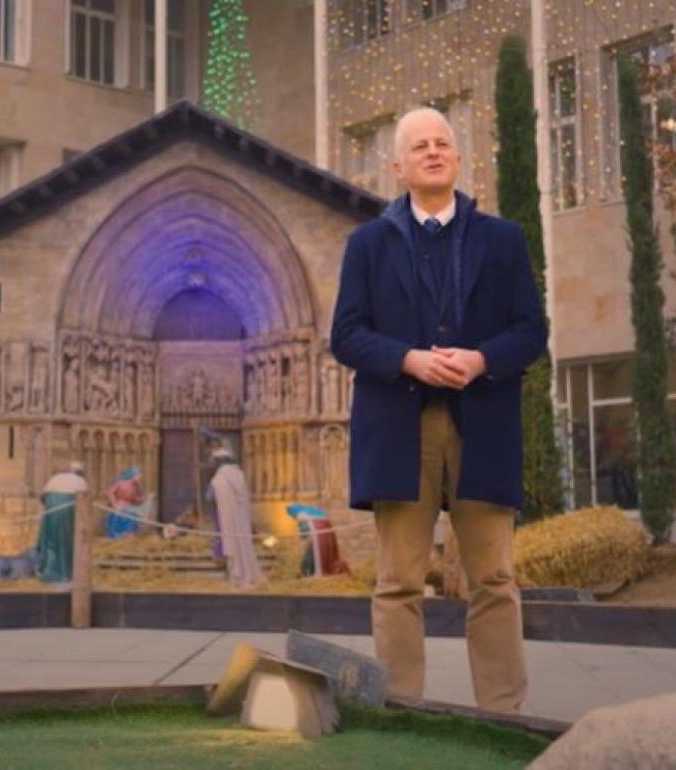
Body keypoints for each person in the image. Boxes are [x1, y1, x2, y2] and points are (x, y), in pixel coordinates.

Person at [329, 106, 546, 713]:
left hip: (484, 425)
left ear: (456, 158)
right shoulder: (366, 245)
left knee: (494, 580)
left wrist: (481, 359)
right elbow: (346, 335)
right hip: (401, 430)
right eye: (420, 145)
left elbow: (531, 330)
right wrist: (407, 359)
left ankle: (502, 716)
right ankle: (401, 713)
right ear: (398, 166)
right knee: (398, 582)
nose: (433, 151)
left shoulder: (503, 240)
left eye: (442, 143)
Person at [206, 447, 262, 587]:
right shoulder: (240, 475)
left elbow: (209, 497)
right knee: (242, 545)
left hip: (226, 519)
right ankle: (245, 573)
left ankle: (235, 574)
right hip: (241, 520)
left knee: (229, 544)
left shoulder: (219, 479)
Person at [285, 502, 350, 577]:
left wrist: (302, 537)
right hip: (327, 533)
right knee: (326, 552)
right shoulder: (311, 509)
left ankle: (310, 572)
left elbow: (304, 530)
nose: (293, 517)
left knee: (315, 554)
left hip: (317, 535)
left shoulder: (300, 514)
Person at [105, 465, 148, 539]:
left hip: (129, 508)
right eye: (138, 475)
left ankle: (129, 534)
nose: (140, 477)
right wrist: (115, 504)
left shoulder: (135, 486)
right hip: (118, 507)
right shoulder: (120, 483)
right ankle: (116, 535)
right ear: (132, 475)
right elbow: (110, 493)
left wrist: (143, 498)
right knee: (118, 518)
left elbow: (134, 499)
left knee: (132, 517)